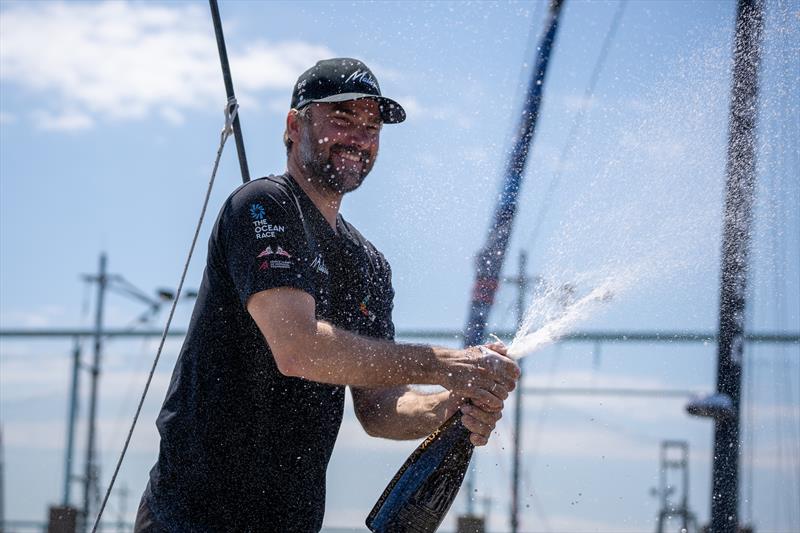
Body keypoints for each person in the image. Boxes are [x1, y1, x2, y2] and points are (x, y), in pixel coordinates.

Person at [134, 57, 520, 532]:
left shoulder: (369, 265)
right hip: (192, 519)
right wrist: (443, 364)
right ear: (295, 124)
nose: (360, 138)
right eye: (342, 119)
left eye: (372, 126)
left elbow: (381, 410)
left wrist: (451, 405)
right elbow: (297, 349)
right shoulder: (261, 206)